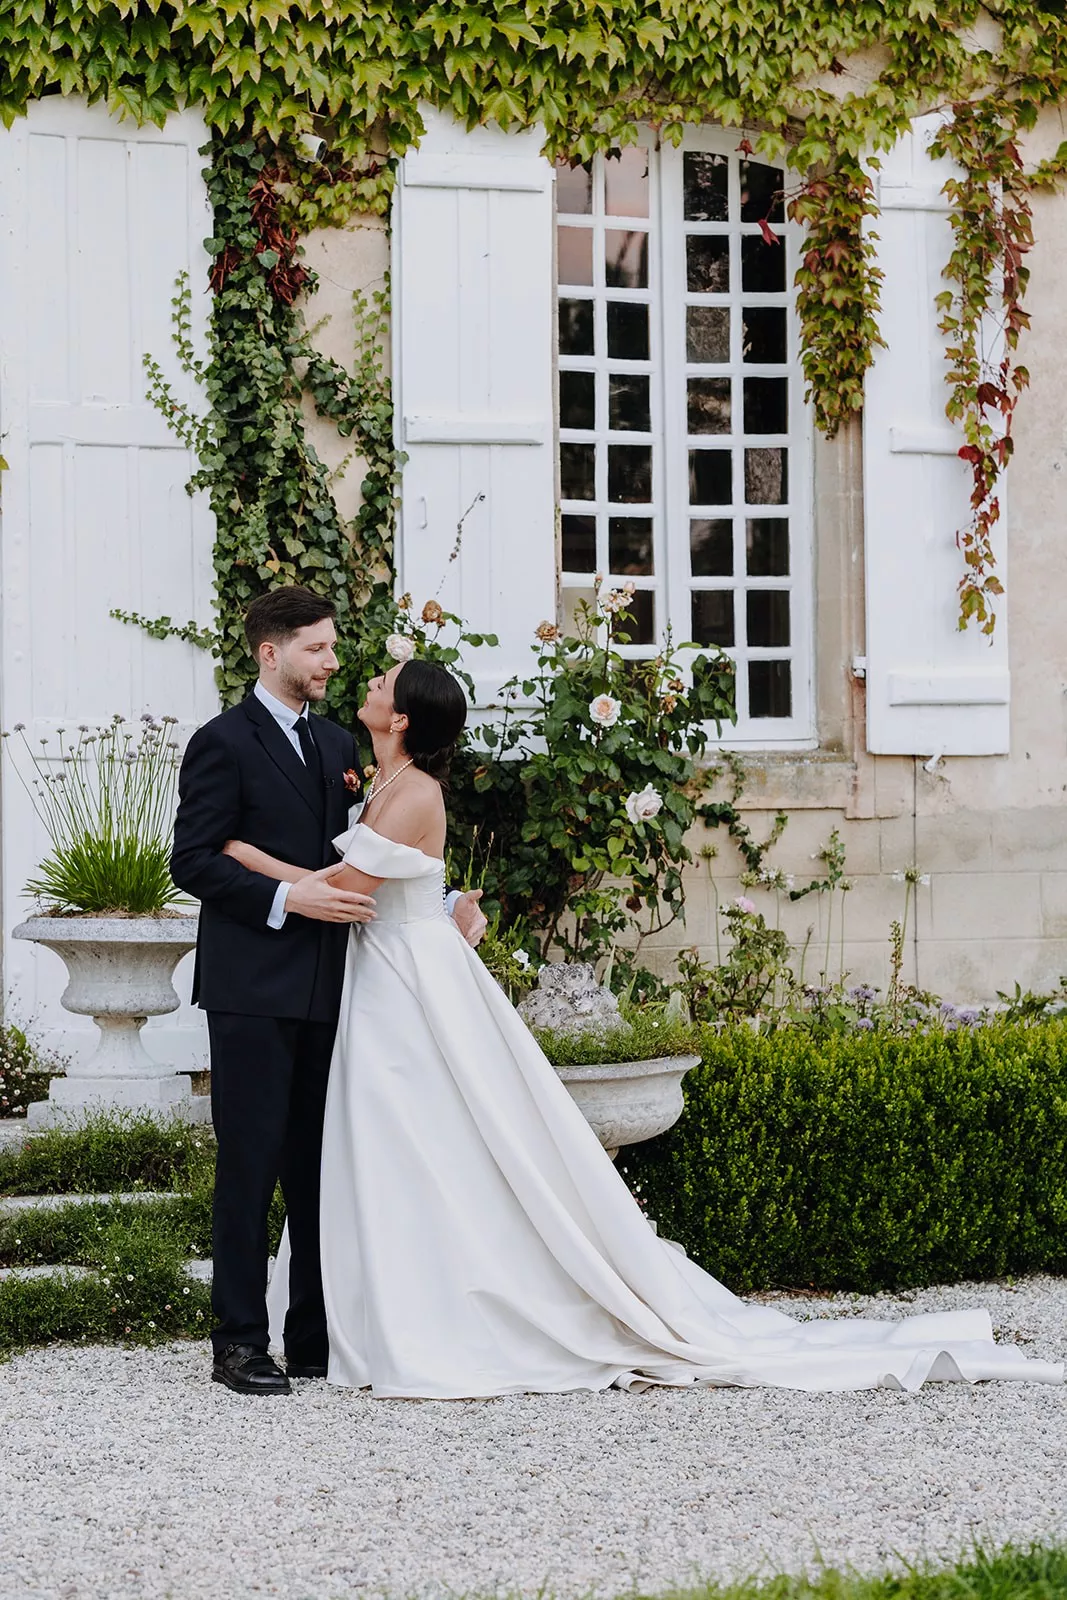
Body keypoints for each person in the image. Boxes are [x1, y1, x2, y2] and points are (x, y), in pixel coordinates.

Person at [225, 656, 1063, 1398]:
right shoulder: (382, 782)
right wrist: (443, 902)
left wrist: (239, 854)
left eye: (381, 685)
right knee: (392, 1141)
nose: (365, 682)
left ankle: (436, 1311)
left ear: (401, 717)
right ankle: (371, 1311)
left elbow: (342, 890)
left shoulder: (412, 792)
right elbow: (393, 885)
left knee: (422, 1135)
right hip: (388, 974)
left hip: (404, 985)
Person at [170, 587, 486, 1396]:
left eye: (333, 648)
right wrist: (284, 898)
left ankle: (311, 1337)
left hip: (339, 984)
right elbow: (194, 860)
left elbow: (378, 853)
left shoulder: (341, 742)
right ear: (270, 652)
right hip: (251, 986)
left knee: (321, 1167)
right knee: (249, 1164)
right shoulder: (221, 742)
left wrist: (445, 904)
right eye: (316, 648)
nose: (333, 662)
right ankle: (239, 1342)